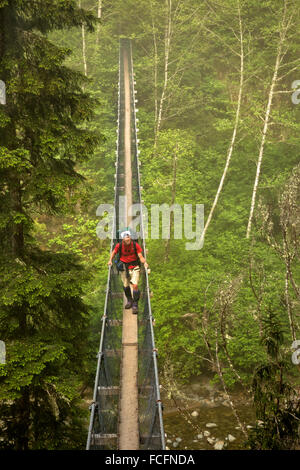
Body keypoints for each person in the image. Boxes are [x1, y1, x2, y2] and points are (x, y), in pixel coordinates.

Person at [107, 230, 149, 314]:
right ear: (123, 239)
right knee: (126, 286)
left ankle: (135, 304)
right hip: (124, 267)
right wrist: (110, 260)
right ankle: (129, 300)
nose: (128, 238)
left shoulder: (135, 245)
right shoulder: (119, 245)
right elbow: (114, 252)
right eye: (126, 237)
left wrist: (144, 262)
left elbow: (140, 255)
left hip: (134, 267)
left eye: (129, 237)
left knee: (135, 285)